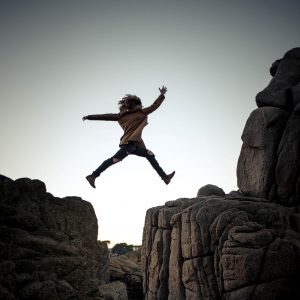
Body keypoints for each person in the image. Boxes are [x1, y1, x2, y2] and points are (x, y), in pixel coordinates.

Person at [82, 86, 175, 188]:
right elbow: (105, 116)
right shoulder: (122, 115)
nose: (127, 105)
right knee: (115, 159)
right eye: (127, 103)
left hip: (136, 144)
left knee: (150, 154)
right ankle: (93, 175)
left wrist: (161, 95)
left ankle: (165, 178)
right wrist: (90, 117)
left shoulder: (141, 112)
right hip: (128, 143)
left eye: (129, 103)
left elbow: (155, 105)